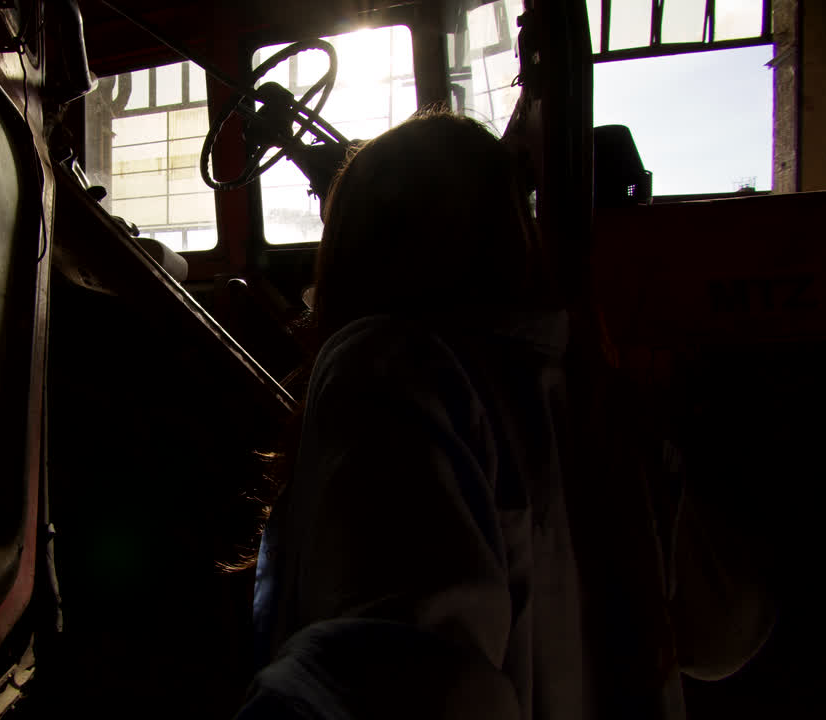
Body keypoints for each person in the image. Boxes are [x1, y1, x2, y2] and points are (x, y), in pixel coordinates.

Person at [237, 112, 776, 720]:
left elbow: (406, 681)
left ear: (352, 251)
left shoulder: (386, 368)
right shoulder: (595, 393)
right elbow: (729, 633)